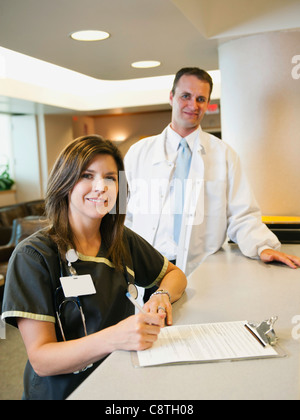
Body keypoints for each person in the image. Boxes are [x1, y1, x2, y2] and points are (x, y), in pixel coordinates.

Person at [1, 135, 187, 400]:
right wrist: (117, 337)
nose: (101, 187)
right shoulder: (34, 256)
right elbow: (42, 359)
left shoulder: (122, 240)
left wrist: (161, 295)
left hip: (119, 381)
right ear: (64, 183)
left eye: (110, 177)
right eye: (87, 175)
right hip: (64, 392)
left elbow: (174, 274)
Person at [125, 67, 300, 278]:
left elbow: (242, 214)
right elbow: (119, 212)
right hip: (144, 266)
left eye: (200, 99)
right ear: (171, 97)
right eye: (186, 96)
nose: (193, 105)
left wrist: (263, 246)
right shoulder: (137, 152)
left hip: (200, 271)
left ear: (208, 104)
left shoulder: (225, 155)